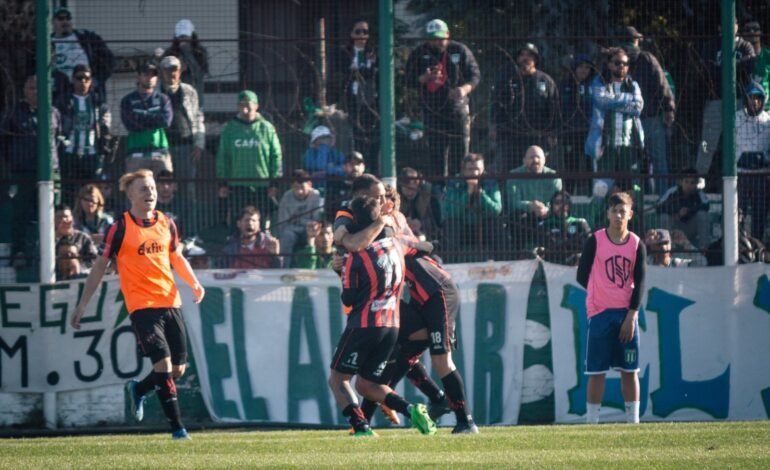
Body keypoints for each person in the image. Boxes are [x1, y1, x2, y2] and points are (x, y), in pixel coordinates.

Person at [69, 169, 205, 440]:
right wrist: (82, 305)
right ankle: (178, 429)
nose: (150, 193)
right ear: (130, 194)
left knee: (177, 369)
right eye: (143, 189)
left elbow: (176, 257)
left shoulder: (167, 223)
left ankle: (140, 389)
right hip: (142, 306)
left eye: (152, 188)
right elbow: (98, 267)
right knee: (163, 364)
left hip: (170, 301)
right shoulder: (119, 228)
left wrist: (194, 283)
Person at [330, 195, 436, 437]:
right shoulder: (397, 244)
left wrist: (341, 270)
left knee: (338, 379)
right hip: (392, 324)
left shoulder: (355, 257)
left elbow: (348, 299)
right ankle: (412, 409)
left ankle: (361, 427)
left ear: (355, 220)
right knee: (367, 384)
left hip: (364, 324)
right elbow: (426, 247)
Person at [576, 191, 646, 424]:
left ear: (630, 214)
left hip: (626, 315)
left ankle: (633, 422)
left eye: (622, 211)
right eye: (614, 211)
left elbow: (641, 283)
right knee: (596, 372)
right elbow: (581, 275)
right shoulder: (595, 240)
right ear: (607, 213)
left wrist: (631, 316)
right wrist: (600, 292)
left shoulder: (636, 244)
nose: (618, 215)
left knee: (630, 370)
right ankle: (592, 422)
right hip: (599, 314)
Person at [405, 19, 480, 177]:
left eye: (440, 38)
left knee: (459, 153)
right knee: (436, 155)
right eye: (433, 38)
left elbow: (475, 75)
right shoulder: (420, 53)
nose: (437, 42)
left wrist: (464, 89)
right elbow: (407, 80)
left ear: (447, 34)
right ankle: (439, 190)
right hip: (432, 110)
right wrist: (424, 78)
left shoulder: (459, 50)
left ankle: (459, 185)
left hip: (457, 109)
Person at [0, 74, 61, 261]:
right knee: (22, 213)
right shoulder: (13, 112)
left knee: (50, 213)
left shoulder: (53, 112)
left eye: (39, 88)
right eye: (31, 88)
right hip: (23, 172)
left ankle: (51, 253)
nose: (35, 92)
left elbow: (58, 137)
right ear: (24, 91)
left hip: (50, 173)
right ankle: (19, 251)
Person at [696, 18, 755, 177]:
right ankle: (698, 182)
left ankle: (742, 178)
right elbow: (708, 71)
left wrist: (725, 68)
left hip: (739, 101)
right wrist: (735, 68)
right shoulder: (711, 46)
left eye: (733, 24)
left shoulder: (745, 46)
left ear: (737, 26)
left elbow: (750, 66)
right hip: (715, 100)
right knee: (707, 144)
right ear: (719, 27)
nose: (730, 27)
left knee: (740, 141)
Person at [621, 26, 676, 193]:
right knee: (644, 161)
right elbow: (663, 85)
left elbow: (662, 85)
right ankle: (648, 196)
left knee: (645, 161)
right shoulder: (644, 58)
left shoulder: (641, 59)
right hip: (636, 118)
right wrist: (669, 108)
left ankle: (654, 196)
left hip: (639, 118)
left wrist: (668, 108)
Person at [492, 42, 560, 172]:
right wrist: (494, 127)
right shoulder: (507, 79)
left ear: (535, 59)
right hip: (511, 135)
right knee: (509, 171)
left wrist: (553, 132)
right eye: (522, 55)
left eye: (529, 55)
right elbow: (497, 105)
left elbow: (554, 108)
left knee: (536, 170)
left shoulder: (545, 80)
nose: (525, 58)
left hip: (538, 136)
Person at [216, 90, 282, 224]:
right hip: (237, 184)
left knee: (261, 222)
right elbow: (223, 157)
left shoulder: (267, 128)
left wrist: (274, 182)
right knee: (238, 222)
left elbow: (276, 156)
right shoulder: (230, 129)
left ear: (256, 106)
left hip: (262, 185)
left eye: (248, 104)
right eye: (241, 105)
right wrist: (222, 182)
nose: (245, 109)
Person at [585, 48, 644, 194]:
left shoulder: (633, 85)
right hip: (605, 146)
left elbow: (638, 107)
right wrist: (626, 99)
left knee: (629, 190)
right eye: (617, 63)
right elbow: (602, 101)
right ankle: (600, 216)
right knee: (602, 189)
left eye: (625, 63)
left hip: (629, 145)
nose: (622, 66)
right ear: (609, 64)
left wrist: (613, 105)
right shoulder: (599, 83)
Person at [55, 64, 113, 200]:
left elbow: (105, 125)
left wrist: (105, 143)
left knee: (90, 194)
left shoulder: (97, 101)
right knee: (69, 193)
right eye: (79, 78)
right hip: (69, 153)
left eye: (86, 78)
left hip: (91, 155)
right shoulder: (63, 101)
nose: (83, 82)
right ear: (73, 80)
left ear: (91, 81)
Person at [331, 18, 379, 173]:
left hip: (371, 100)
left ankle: (373, 168)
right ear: (352, 34)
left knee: (373, 135)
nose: (362, 35)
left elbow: (373, 74)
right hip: (353, 99)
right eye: (358, 31)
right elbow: (343, 74)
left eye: (365, 32)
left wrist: (363, 70)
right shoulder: (345, 52)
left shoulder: (373, 51)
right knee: (357, 136)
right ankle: (360, 168)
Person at [158, 55, 205, 206]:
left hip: (186, 147)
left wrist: (199, 144)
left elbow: (197, 117)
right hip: (163, 149)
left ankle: (190, 228)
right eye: (167, 70)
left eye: (174, 70)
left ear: (180, 71)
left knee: (188, 189)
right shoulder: (155, 92)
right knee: (162, 188)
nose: (171, 73)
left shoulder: (189, 91)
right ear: (162, 72)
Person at [442, 153, 502, 261]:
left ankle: (502, 262)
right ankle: (449, 264)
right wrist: (468, 194)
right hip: (462, 226)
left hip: (483, 226)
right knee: (451, 225)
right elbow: (450, 212)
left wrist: (481, 195)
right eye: (470, 169)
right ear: (463, 170)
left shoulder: (491, 183)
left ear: (483, 169)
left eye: (477, 169)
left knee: (496, 224)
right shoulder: (454, 183)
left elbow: (496, 209)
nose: (474, 173)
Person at [51, 6, 114, 103]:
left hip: (86, 89)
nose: (65, 22)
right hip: (60, 91)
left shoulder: (86, 37)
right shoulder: (47, 43)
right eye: (61, 18)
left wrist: (96, 80)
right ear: (53, 22)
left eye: (68, 18)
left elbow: (109, 60)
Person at [120, 63, 174, 175]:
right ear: (138, 76)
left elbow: (166, 121)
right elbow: (130, 125)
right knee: (135, 189)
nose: (150, 78)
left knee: (165, 188)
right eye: (146, 74)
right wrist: (154, 119)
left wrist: (141, 117)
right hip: (136, 154)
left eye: (153, 75)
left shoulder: (163, 99)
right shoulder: (128, 100)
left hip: (160, 153)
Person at [735, 82, 770, 243]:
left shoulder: (768, 121)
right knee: (737, 214)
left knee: (759, 214)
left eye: (758, 98)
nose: (754, 102)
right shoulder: (736, 119)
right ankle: (740, 245)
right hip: (741, 175)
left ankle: (757, 246)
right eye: (751, 98)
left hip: (761, 177)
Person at [557, 53, 595, 190]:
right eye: (580, 67)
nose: (583, 70)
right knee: (571, 164)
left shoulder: (595, 84)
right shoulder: (564, 85)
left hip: (590, 132)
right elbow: (559, 109)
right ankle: (569, 194)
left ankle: (591, 194)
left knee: (590, 164)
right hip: (571, 132)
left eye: (587, 67)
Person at [655, 169, 712, 251]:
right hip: (675, 228)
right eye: (686, 182)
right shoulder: (672, 191)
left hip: (691, 228)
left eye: (692, 182)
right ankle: (668, 249)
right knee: (664, 217)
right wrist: (676, 212)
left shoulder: (699, 194)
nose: (689, 185)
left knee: (702, 215)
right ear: (681, 182)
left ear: (696, 184)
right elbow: (658, 206)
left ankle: (705, 250)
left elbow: (706, 206)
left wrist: (689, 211)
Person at [276, 169, 323, 265]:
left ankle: (317, 265)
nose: (299, 191)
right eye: (295, 187)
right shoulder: (286, 197)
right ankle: (284, 268)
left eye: (302, 187)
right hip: (292, 230)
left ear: (310, 184)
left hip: (309, 230)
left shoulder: (316, 195)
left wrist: (304, 223)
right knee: (287, 236)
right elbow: (282, 222)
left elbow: (316, 219)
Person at [535, 190, 591, 265]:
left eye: (565, 202)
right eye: (557, 203)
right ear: (552, 205)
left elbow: (590, 246)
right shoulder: (544, 225)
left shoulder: (580, 223)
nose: (562, 206)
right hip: (552, 266)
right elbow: (538, 249)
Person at [163, 19, 208, 105]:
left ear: (192, 36)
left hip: (195, 95)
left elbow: (199, 73)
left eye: (186, 37)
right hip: (176, 97)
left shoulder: (200, 53)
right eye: (181, 37)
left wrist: (187, 51)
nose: (183, 40)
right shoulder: (170, 53)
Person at [397, 167, 442, 243]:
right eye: (405, 189)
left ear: (417, 184)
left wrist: (421, 223)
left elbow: (438, 221)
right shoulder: (397, 196)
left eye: (411, 189)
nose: (409, 193)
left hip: (429, 237)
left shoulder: (430, 193)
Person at [325, 151, 365, 221]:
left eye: (358, 164)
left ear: (363, 167)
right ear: (344, 167)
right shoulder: (335, 186)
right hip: (340, 224)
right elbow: (329, 211)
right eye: (351, 164)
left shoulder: (369, 185)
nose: (355, 167)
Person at [55, 204, 97, 268]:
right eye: (60, 217)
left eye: (66, 216)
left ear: (72, 219)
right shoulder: (47, 239)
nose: (63, 220)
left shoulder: (83, 238)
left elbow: (94, 259)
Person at [744, 20, 770, 111]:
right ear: (742, 34)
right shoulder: (739, 55)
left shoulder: (767, 55)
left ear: (760, 33)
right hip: (745, 108)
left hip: (767, 108)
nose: (752, 32)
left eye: (755, 29)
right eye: (748, 30)